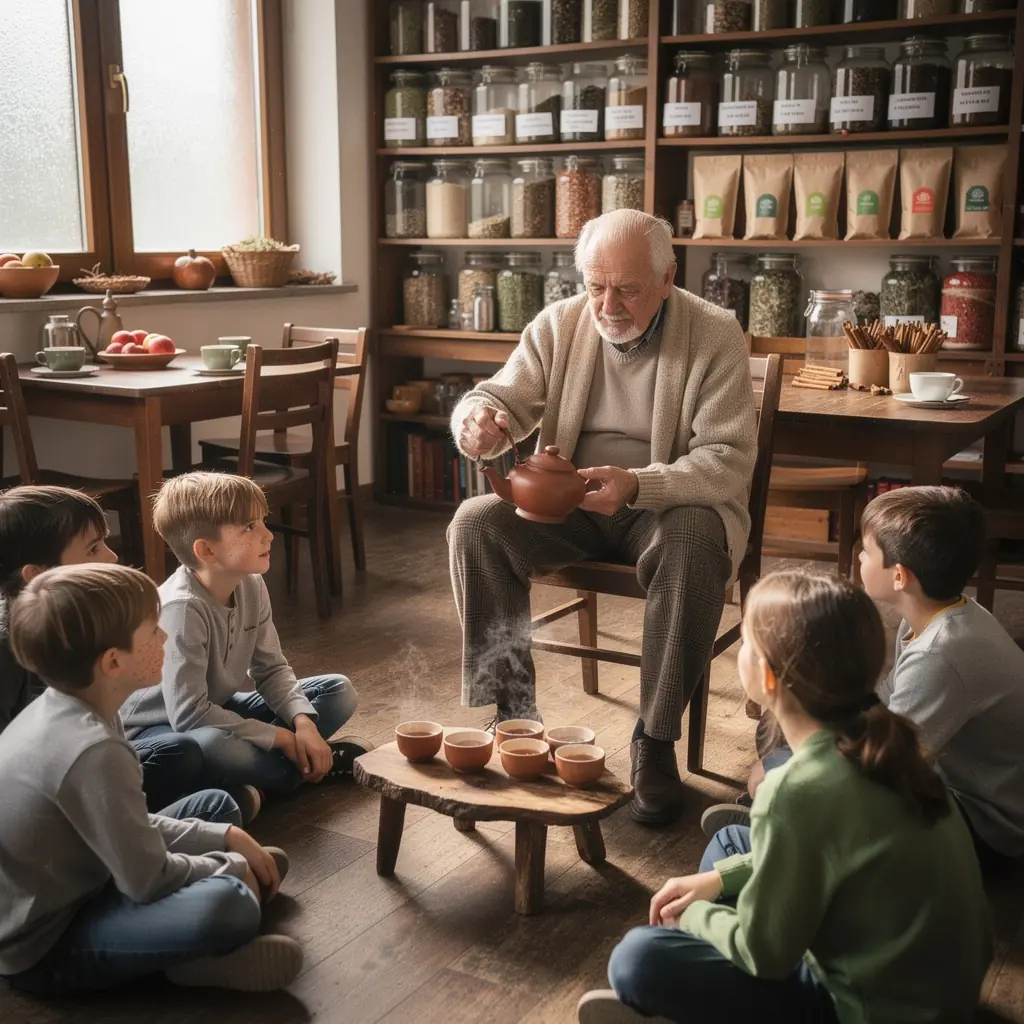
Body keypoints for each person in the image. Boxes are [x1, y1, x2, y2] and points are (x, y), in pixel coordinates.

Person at [447, 209, 757, 825]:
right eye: (595, 285)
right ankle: (513, 719)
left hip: (668, 507)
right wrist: (474, 418)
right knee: (475, 523)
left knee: (695, 537)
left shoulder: (716, 331)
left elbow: (726, 460)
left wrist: (639, 486)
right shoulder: (560, 323)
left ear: (668, 278)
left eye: (628, 288)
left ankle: (655, 739)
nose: (607, 303)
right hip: (571, 507)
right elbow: (501, 394)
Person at [579, 569, 993, 1024]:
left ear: (770, 676)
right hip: (937, 988)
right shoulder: (885, 743)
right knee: (731, 847)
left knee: (637, 957)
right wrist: (716, 883)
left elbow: (765, 955)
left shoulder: (797, 788)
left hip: (867, 1007)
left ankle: (694, 997)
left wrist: (696, 915)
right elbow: (843, 848)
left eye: (749, 643)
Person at [0, 563, 302, 994]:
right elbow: (147, 879)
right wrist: (228, 866)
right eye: (152, 632)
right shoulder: (93, 749)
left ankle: (190, 942)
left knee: (216, 809)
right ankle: (188, 958)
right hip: (48, 944)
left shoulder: (78, 704)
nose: (165, 637)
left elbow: (133, 823)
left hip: (88, 871)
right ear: (113, 660)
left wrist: (228, 837)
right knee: (229, 902)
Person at [703, 486, 1024, 872]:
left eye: (868, 550)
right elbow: (883, 705)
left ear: (900, 576)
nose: (859, 556)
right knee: (784, 724)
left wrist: (795, 768)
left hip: (983, 825)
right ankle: (778, 808)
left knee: (798, 751)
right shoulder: (939, 614)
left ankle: (779, 829)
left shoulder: (941, 656)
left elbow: (886, 765)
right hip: (941, 778)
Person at [121, 472, 370, 811]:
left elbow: (271, 669)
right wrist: (281, 737)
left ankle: (251, 781)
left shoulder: (250, 583)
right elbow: (189, 716)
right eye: (249, 527)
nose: (269, 534)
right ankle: (298, 773)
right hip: (163, 730)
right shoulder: (181, 609)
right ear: (206, 550)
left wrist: (303, 724)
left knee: (337, 692)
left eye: (262, 521)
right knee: (211, 746)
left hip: (220, 708)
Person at [0, 484, 203, 811]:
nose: (112, 556)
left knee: (182, 751)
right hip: (44, 796)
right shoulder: (6, 657)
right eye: (93, 549)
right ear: (36, 575)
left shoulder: (81, 619)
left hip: (87, 755)